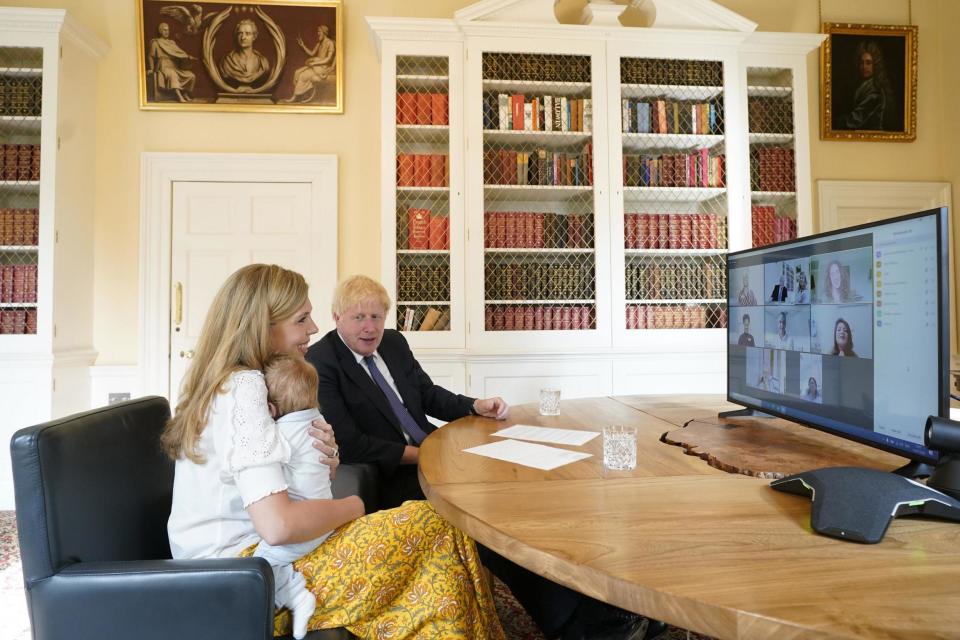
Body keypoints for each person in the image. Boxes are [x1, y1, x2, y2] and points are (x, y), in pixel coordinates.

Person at [306, 274, 663, 640]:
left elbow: (427, 394)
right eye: (359, 318)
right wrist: (425, 454)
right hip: (395, 476)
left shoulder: (394, 343)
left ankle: (617, 604)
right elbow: (351, 443)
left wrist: (474, 405)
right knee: (489, 524)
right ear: (337, 317)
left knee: (524, 499)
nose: (370, 328)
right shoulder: (321, 362)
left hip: (435, 452)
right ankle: (578, 626)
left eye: (377, 317)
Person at [164, 264, 505, 639]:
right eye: (302, 319)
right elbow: (279, 525)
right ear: (264, 326)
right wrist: (353, 507)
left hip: (250, 562)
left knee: (435, 531)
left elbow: (268, 493)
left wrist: (317, 463)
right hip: (247, 576)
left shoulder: (231, 381)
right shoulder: (245, 388)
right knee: (435, 525)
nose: (312, 328)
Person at [252, 355, 330, 639]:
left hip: (302, 525)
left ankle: (295, 595)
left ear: (270, 408)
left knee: (262, 562)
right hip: (323, 517)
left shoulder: (281, 434)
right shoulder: (318, 421)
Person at [842, 40, 892, 130]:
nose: (864, 67)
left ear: (875, 65)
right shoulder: (862, 85)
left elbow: (855, 119)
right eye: (862, 63)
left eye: (868, 63)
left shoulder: (875, 92)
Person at [282, 24, 336, 103]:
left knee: (304, 75)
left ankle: (296, 97)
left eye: (319, 31)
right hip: (316, 66)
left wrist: (314, 63)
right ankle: (296, 96)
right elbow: (311, 53)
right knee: (298, 73)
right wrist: (303, 45)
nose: (318, 33)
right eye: (318, 31)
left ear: (324, 32)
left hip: (322, 67)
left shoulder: (330, 43)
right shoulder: (319, 43)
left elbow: (328, 59)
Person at [146, 22, 196, 102]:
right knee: (172, 74)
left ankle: (185, 94)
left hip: (174, 66)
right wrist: (151, 69)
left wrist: (188, 57)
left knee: (191, 76)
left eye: (168, 30)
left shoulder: (172, 43)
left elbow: (179, 52)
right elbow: (150, 56)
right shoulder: (156, 42)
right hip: (163, 66)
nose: (167, 32)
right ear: (160, 31)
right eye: (165, 30)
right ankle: (179, 96)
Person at [219, 18, 270, 88]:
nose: (243, 37)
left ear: (254, 36)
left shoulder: (263, 63)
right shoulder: (227, 62)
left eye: (248, 34)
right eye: (240, 33)